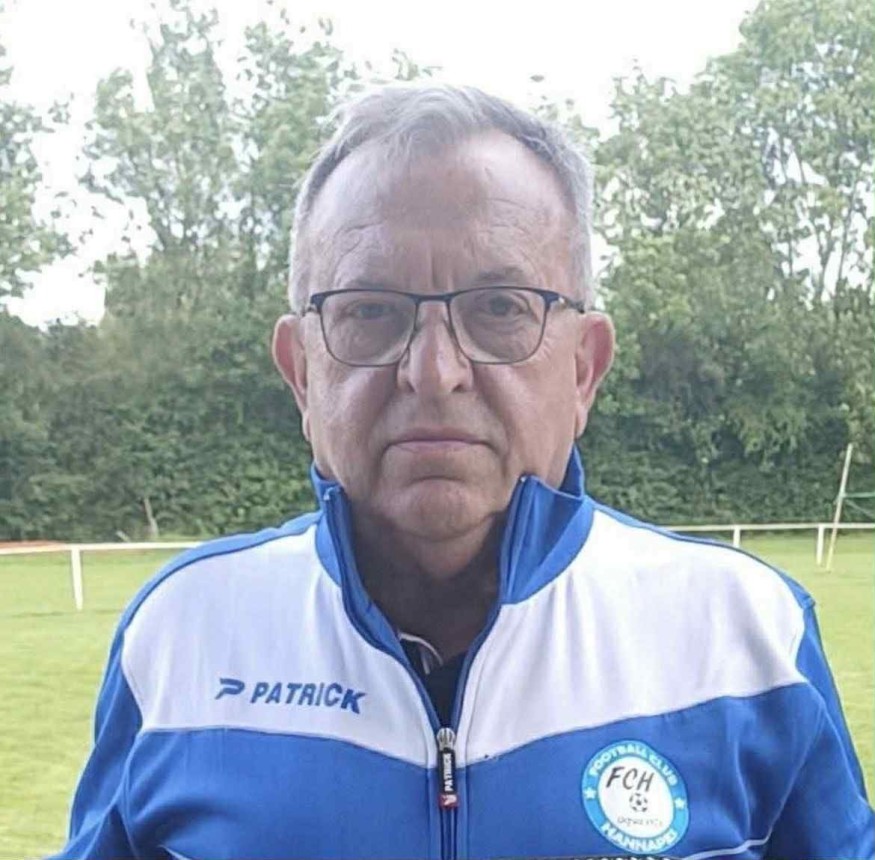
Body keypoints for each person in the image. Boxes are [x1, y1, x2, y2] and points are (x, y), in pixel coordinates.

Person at [51, 84, 872, 860]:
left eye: (500, 308)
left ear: (582, 369)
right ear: (301, 372)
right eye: (370, 311)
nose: (434, 371)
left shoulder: (745, 635)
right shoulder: (182, 636)